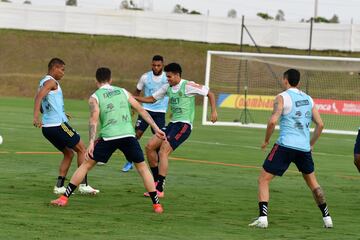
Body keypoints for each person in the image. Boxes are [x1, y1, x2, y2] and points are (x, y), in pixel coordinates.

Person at [50, 67, 166, 213]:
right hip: (128, 136)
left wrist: (92, 141)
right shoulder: (123, 91)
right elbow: (142, 110)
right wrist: (155, 128)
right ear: (110, 79)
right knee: (142, 168)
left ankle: (64, 198)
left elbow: (93, 120)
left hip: (108, 137)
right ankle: (157, 205)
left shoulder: (95, 97)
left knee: (86, 165)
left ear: (96, 80)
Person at [248, 69, 333, 228]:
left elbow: (273, 121)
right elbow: (320, 124)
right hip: (303, 149)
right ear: (298, 82)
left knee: (263, 179)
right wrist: (311, 144)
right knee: (314, 184)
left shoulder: (282, 97)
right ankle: (327, 218)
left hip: (285, 146)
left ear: (285, 80)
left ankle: (263, 219)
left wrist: (266, 140)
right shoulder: (308, 99)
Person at [134, 62, 217, 198]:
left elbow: (210, 93)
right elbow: (151, 99)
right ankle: (156, 182)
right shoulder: (167, 87)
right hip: (172, 125)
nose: (168, 79)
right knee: (149, 147)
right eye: (167, 77)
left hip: (184, 125)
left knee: (163, 151)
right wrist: (134, 98)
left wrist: (213, 112)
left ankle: (159, 189)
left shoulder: (188, 85)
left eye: (170, 77)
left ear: (178, 75)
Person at [33, 57, 99, 195]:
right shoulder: (51, 82)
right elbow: (39, 97)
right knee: (82, 149)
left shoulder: (42, 82)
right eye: (62, 70)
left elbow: (42, 102)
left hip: (48, 128)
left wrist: (60, 113)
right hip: (58, 126)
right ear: (54, 68)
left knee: (69, 153)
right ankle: (83, 185)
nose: (63, 73)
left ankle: (59, 186)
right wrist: (35, 117)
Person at [121, 55, 169, 172]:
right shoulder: (145, 77)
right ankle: (129, 161)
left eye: (158, 65)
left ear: (162, 65)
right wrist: (132, 106)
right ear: (151, 65)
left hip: (160, 112)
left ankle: (156, 161)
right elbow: (137, 91)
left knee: (159, 138)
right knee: (136, 135)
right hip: (145, 110)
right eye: (154, 65)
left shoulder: (167, 78)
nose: (156, 67)